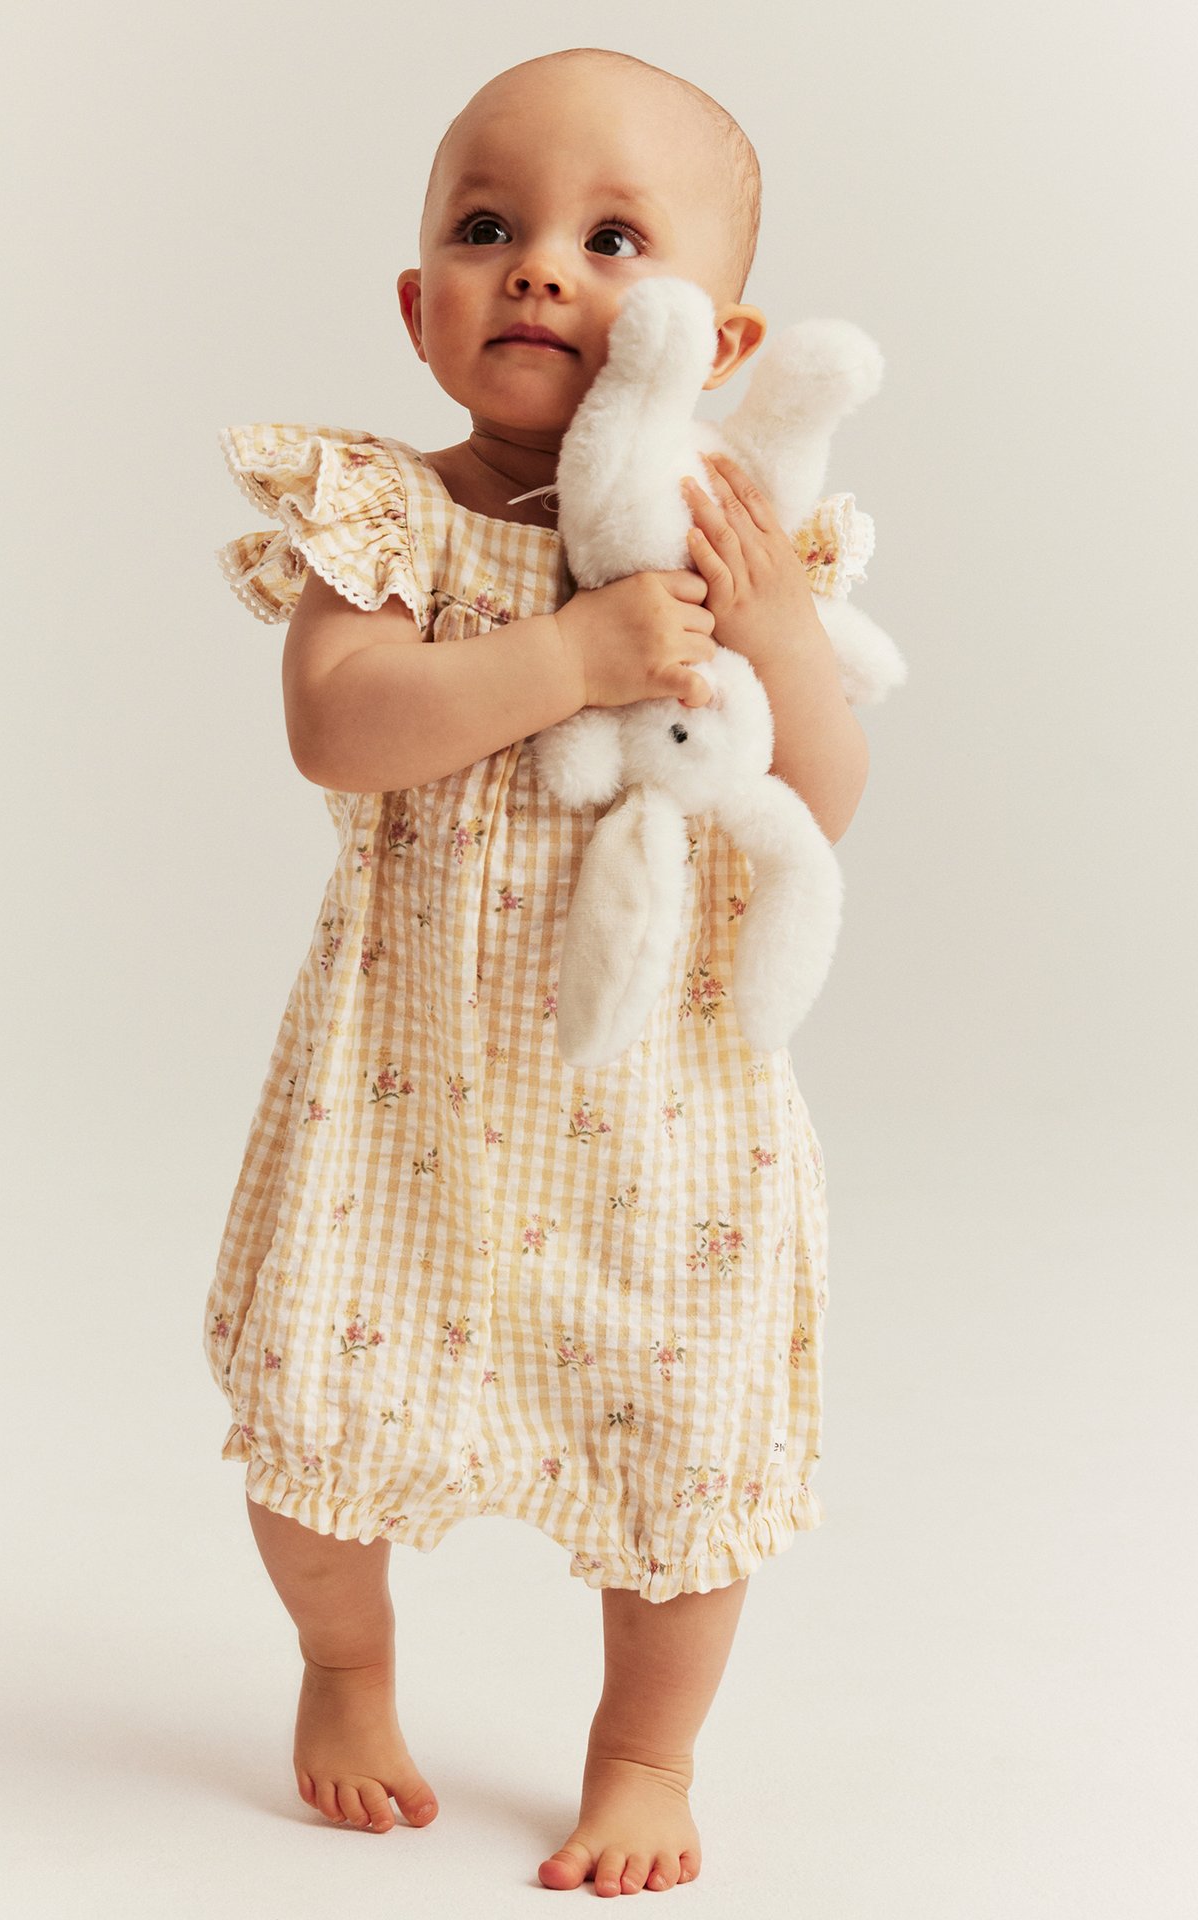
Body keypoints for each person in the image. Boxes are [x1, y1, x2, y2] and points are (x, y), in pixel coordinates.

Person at [203, 45, 870, 1897]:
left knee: (682, 1443)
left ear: (716, 348)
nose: (543, 269)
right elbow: (340, 729)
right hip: (400, 1087)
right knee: (317, 1419)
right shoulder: (388, 516)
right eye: (489, 229)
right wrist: (571, 658)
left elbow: (814, 799)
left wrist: (783, 632)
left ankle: (644, 1748)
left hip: (666, 1115)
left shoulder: (737, 545)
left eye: (610, 238)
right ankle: (345, 1665)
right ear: (422, 306)